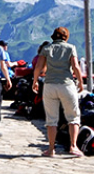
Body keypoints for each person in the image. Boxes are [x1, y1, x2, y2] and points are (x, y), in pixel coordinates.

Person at [31, 26, 85, 157]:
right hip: (66, 85)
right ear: (66, 37)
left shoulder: (46, 48)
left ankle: (50, 149)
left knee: (51, 119)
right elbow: (75, 66)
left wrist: (35, 81)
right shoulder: (70, 48)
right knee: (73, 116)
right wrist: (80, 82)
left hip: (49, 85)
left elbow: (39, 66)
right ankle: (73, 146)